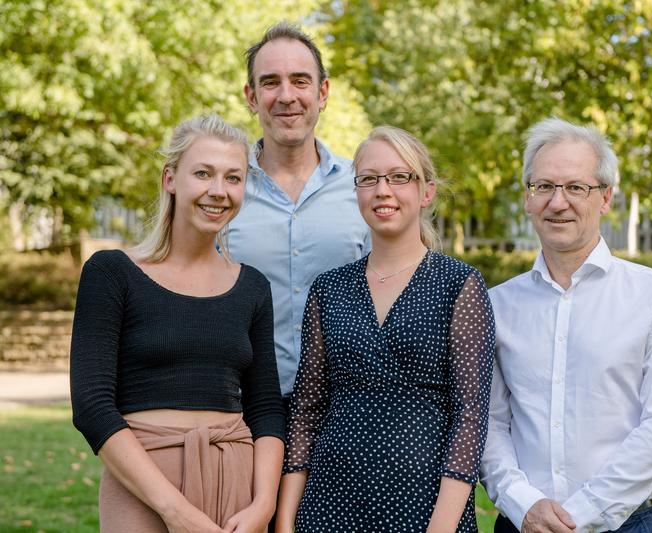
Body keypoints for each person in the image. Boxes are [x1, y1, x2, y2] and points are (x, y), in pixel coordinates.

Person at [274, 126, 495, 532]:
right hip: (329, 504)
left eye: (399, 177)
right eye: (369, 179)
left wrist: (441, 528)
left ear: (426, 192)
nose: (383, 190)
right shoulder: (329, 289)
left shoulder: (458, 284)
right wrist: (286, 521)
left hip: (426, 506)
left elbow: (470, 415)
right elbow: (306, 411)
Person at [70, 115, 285, 532]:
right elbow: (93, 406)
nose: (218, 191)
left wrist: (263, 503)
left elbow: (265, 408)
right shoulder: (112, 273)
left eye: (233, 178)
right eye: (203, 173)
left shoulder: (253, 287)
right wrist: (175, 511)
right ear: (171, 178)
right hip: (144, 490)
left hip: (236, 485)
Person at [481, 117, 652, 533]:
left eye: (576, 187)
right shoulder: (497, 305)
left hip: (628, 522)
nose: (557, 202)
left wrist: (579, 514)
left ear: (605, 198)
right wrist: (522, 503)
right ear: (527, 198)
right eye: (543, 186)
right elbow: (488, 421)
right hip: (523, 522)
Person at [227, 22, 370, 409]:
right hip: (244, 412)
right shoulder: (224, 194)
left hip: (345, 411)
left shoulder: (364, 189)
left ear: (322, 92)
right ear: (251, 97)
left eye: (300, 81)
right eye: (270, 82)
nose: (286, 96)